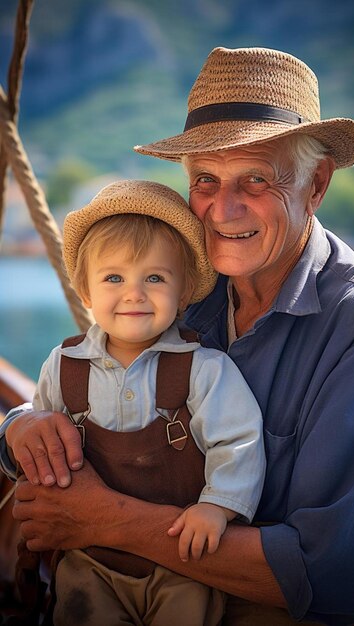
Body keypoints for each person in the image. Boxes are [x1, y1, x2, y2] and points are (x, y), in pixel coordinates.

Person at [1, 46, 354, 625]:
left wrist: (105, 520)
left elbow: (336, 577)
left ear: (315, 184)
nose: (222, 209)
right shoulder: (181, 285)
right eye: (205, 180)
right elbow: (94, 376)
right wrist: (19, 424)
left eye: (254, 179)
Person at [3, 179, 266, 625]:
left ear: (183, 293)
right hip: (90, 562)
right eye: (113, 278)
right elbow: (41, 433)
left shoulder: (204, 369)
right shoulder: (63, 365)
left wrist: (217, 506)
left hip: (183, 558)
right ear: (85, 292)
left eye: (155, 278)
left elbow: (238, 441)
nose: (134, 293)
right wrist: (23, 431)